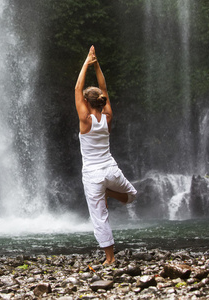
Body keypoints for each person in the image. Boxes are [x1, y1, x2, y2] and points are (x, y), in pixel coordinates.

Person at [75, 45, 137, 265]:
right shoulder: (107, 117)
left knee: (99, 216)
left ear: (86, 102)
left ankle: (109, 258)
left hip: (92, 174)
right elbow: (104, 86)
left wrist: (86, 62)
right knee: (131, 196)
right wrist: (97, 63)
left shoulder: (85, 120)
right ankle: (109, 193)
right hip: (110, 169)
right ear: (101, 101)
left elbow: (77, 88)